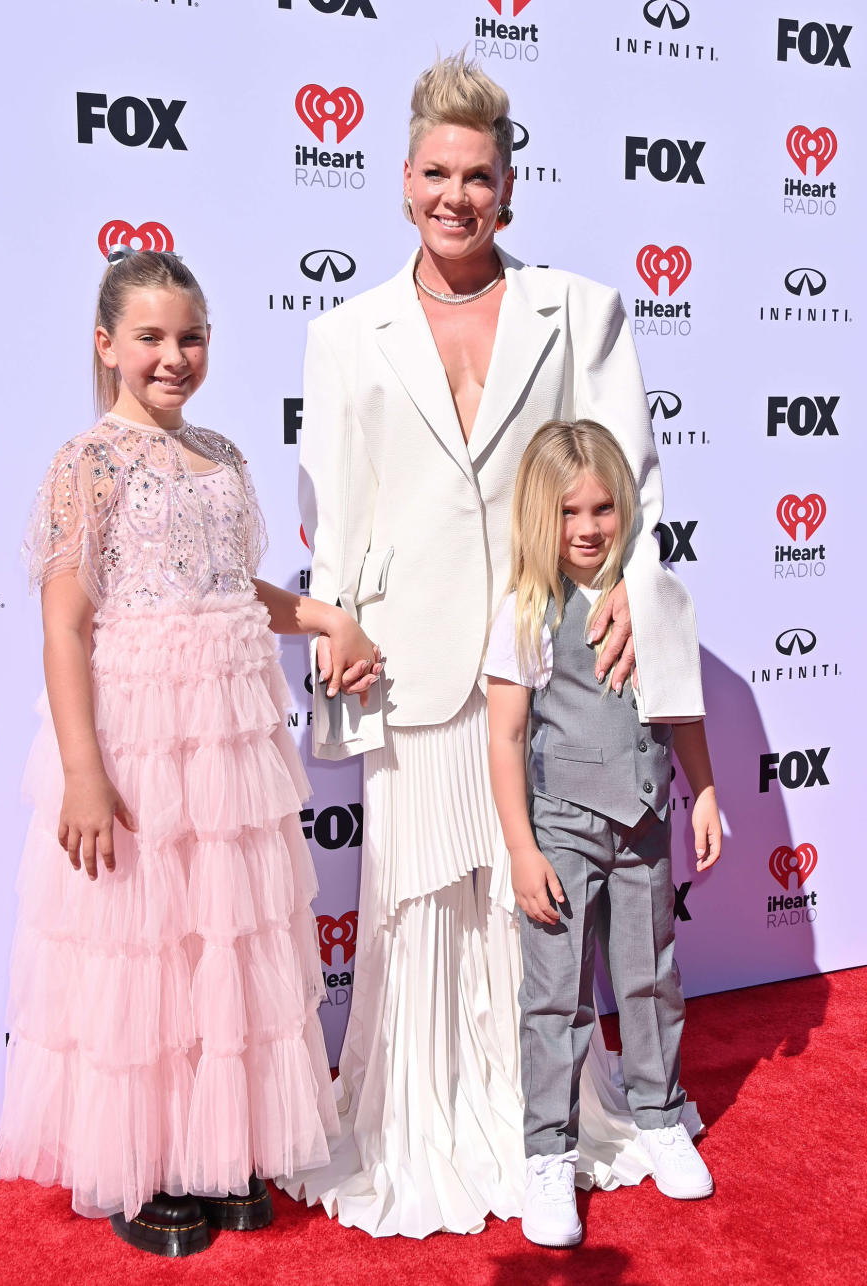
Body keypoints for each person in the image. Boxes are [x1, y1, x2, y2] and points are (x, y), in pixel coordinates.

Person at [280, 54, 704, 1238]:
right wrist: (336, 619)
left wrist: (630, 580)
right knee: (421, 908)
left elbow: (634, 478)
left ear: (508, 187)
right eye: (436, 172)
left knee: (549, 906)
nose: (457, 194)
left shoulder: (580, 309)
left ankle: (548, 1132)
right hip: (406, 660)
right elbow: (338, 500)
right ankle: (426, 1124)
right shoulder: (346, 331)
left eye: (479, 174)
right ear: (402, 179)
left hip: (549, 662)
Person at [0, 248, 381, 1257]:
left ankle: (220, 1145)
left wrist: (325, 615)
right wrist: (84, 767)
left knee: (224, 939)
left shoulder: (222, 452)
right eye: (152, 337)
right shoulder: (90, 461)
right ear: (106, 343)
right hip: (141, 734)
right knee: (146, 941)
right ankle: (145, 1160)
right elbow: (65, 623)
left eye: (191, 335)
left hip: (228, 734)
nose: (174, 355)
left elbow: (230, 588)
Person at [485, 419, 721, 1247]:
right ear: (540, 520)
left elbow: (678, 702)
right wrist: (521, 847)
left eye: (604, 510)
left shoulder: (653, 598)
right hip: (560, 830)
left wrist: (704, 791)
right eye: (570, 513)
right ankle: (548, 1153)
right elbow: (507, 736)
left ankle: (659, 1116)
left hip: (647, 821)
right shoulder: (524, 610)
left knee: (650, 976)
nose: (588, 529)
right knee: (554, 995)